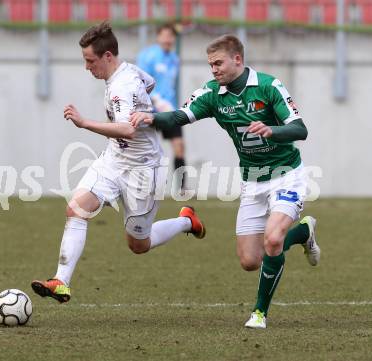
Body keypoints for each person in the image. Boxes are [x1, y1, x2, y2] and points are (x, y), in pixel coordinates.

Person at [130, 34, 321, 329]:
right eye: (211, 65)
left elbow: (300, 129)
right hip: (252, 181)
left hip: (287, 176)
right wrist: (150, 117)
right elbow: (179, 117)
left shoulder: (269, 86)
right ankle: (303, 231)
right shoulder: (212, 94)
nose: (214, 69)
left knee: (272, 239)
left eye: (218, 63)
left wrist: (272, 130)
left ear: (238, 60)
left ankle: (259, 313)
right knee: (250, 261)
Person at [31, 22, 205, 303]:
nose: (87, 67)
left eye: (90, 61)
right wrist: (143, 105)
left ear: (108, 56)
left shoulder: (119, 88)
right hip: (113, 161)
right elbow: (151, 82)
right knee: (76, 209)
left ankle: (186, 221)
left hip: (143, 169)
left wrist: (84, 122)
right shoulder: (130, 72)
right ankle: (60, 281)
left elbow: (127, 130)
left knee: (139, 244)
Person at [136, 23, 186, 191]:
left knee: (179, 145)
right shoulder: (147, 56)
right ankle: (140, 185)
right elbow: (140, 82)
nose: (167, 39)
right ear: (158, 37)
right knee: (145, 150)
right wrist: (156, 100)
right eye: (164, 35)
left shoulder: (174, 59)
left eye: (170, 36)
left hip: (169, 110)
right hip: (149, 110)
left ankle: (182, 187)